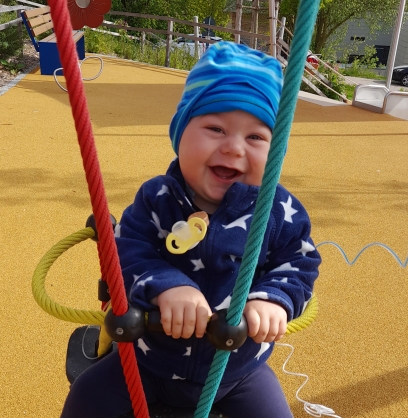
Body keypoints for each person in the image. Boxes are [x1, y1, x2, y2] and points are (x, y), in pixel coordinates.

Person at [61, 41, 321, 418]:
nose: (234, 148)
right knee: (85, 397)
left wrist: (273, 299)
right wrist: (168, 285)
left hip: (237, 372)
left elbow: (298, 265)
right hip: (148, 362)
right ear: (180, 134)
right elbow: (127, 251)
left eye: (255, 137)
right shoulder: (158, 198)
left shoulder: (279, 212)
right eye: (215, 128)